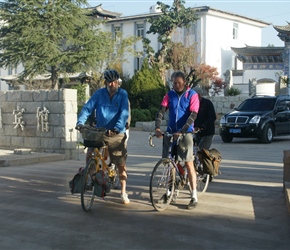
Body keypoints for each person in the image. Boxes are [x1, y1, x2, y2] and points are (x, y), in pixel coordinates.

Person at [76, 69, 130, 205]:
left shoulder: (123, 94)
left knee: (120, 163)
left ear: (118, 82)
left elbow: (124, 114)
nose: (113, 85)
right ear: (106, 83)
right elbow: (88, 108)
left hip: (116, 132)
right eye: (110, 82)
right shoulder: (99, 94)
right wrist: (80, 122)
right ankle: (89, 175)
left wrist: (116, 128)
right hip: (100, 131)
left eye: (115, 82)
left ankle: (123, 192)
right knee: (90, 153)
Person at [155, 71, 200, 209]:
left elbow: (193, 115)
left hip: (185, 133)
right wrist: (157, 127)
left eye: (179, 83)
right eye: (174, 83)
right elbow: (161, 111)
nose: (176, 85)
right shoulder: (170, 95)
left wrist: (183, 130)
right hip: (171, 132)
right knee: (170, 163)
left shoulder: (192, 94)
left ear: (185, 82)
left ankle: (193, 196)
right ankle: (169, 192)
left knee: (188, 163)